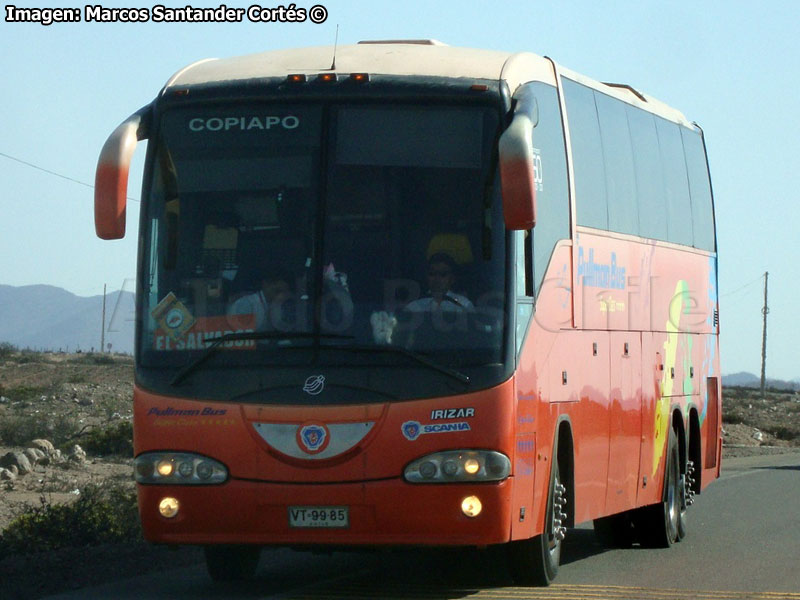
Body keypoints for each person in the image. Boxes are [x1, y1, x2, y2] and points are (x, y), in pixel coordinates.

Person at [227, 269, 294, 331]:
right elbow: (240, 334)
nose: (281, 296)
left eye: (284, 292)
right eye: (277, 291)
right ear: (265, 284)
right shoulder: (246, 304)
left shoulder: (283, 306)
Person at [405, 252, 473, 312]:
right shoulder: (414, 307)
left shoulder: (464, 305)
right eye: (432, 273)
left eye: (443, 274)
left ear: (452, 279)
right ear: (427, 277)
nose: (437, 279)